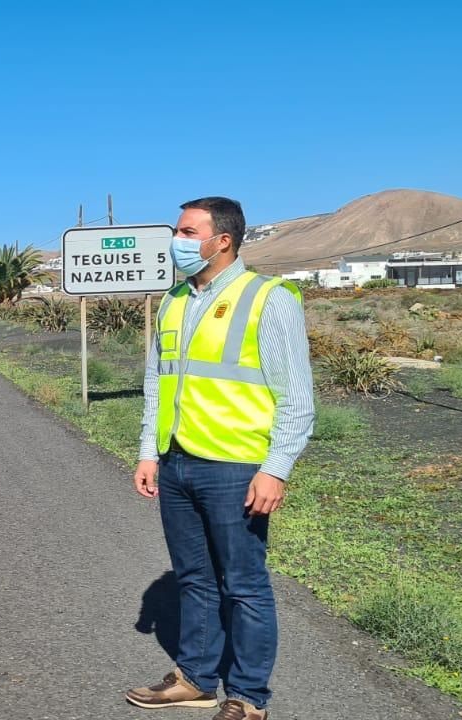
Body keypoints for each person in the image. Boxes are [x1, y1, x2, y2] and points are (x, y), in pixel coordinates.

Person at [124, 197, 315, 720]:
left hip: (236, 468)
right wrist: (149, 453)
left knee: (245, 585)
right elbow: (157, 385)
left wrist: (275, 469)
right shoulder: (175, 300)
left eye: (187, 232)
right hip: (178, 461)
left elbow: (297, 398)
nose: (177, 241)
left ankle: (249, 698)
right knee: (194, 578)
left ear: (222, 240)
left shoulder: (268, 298)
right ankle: (196, 679)